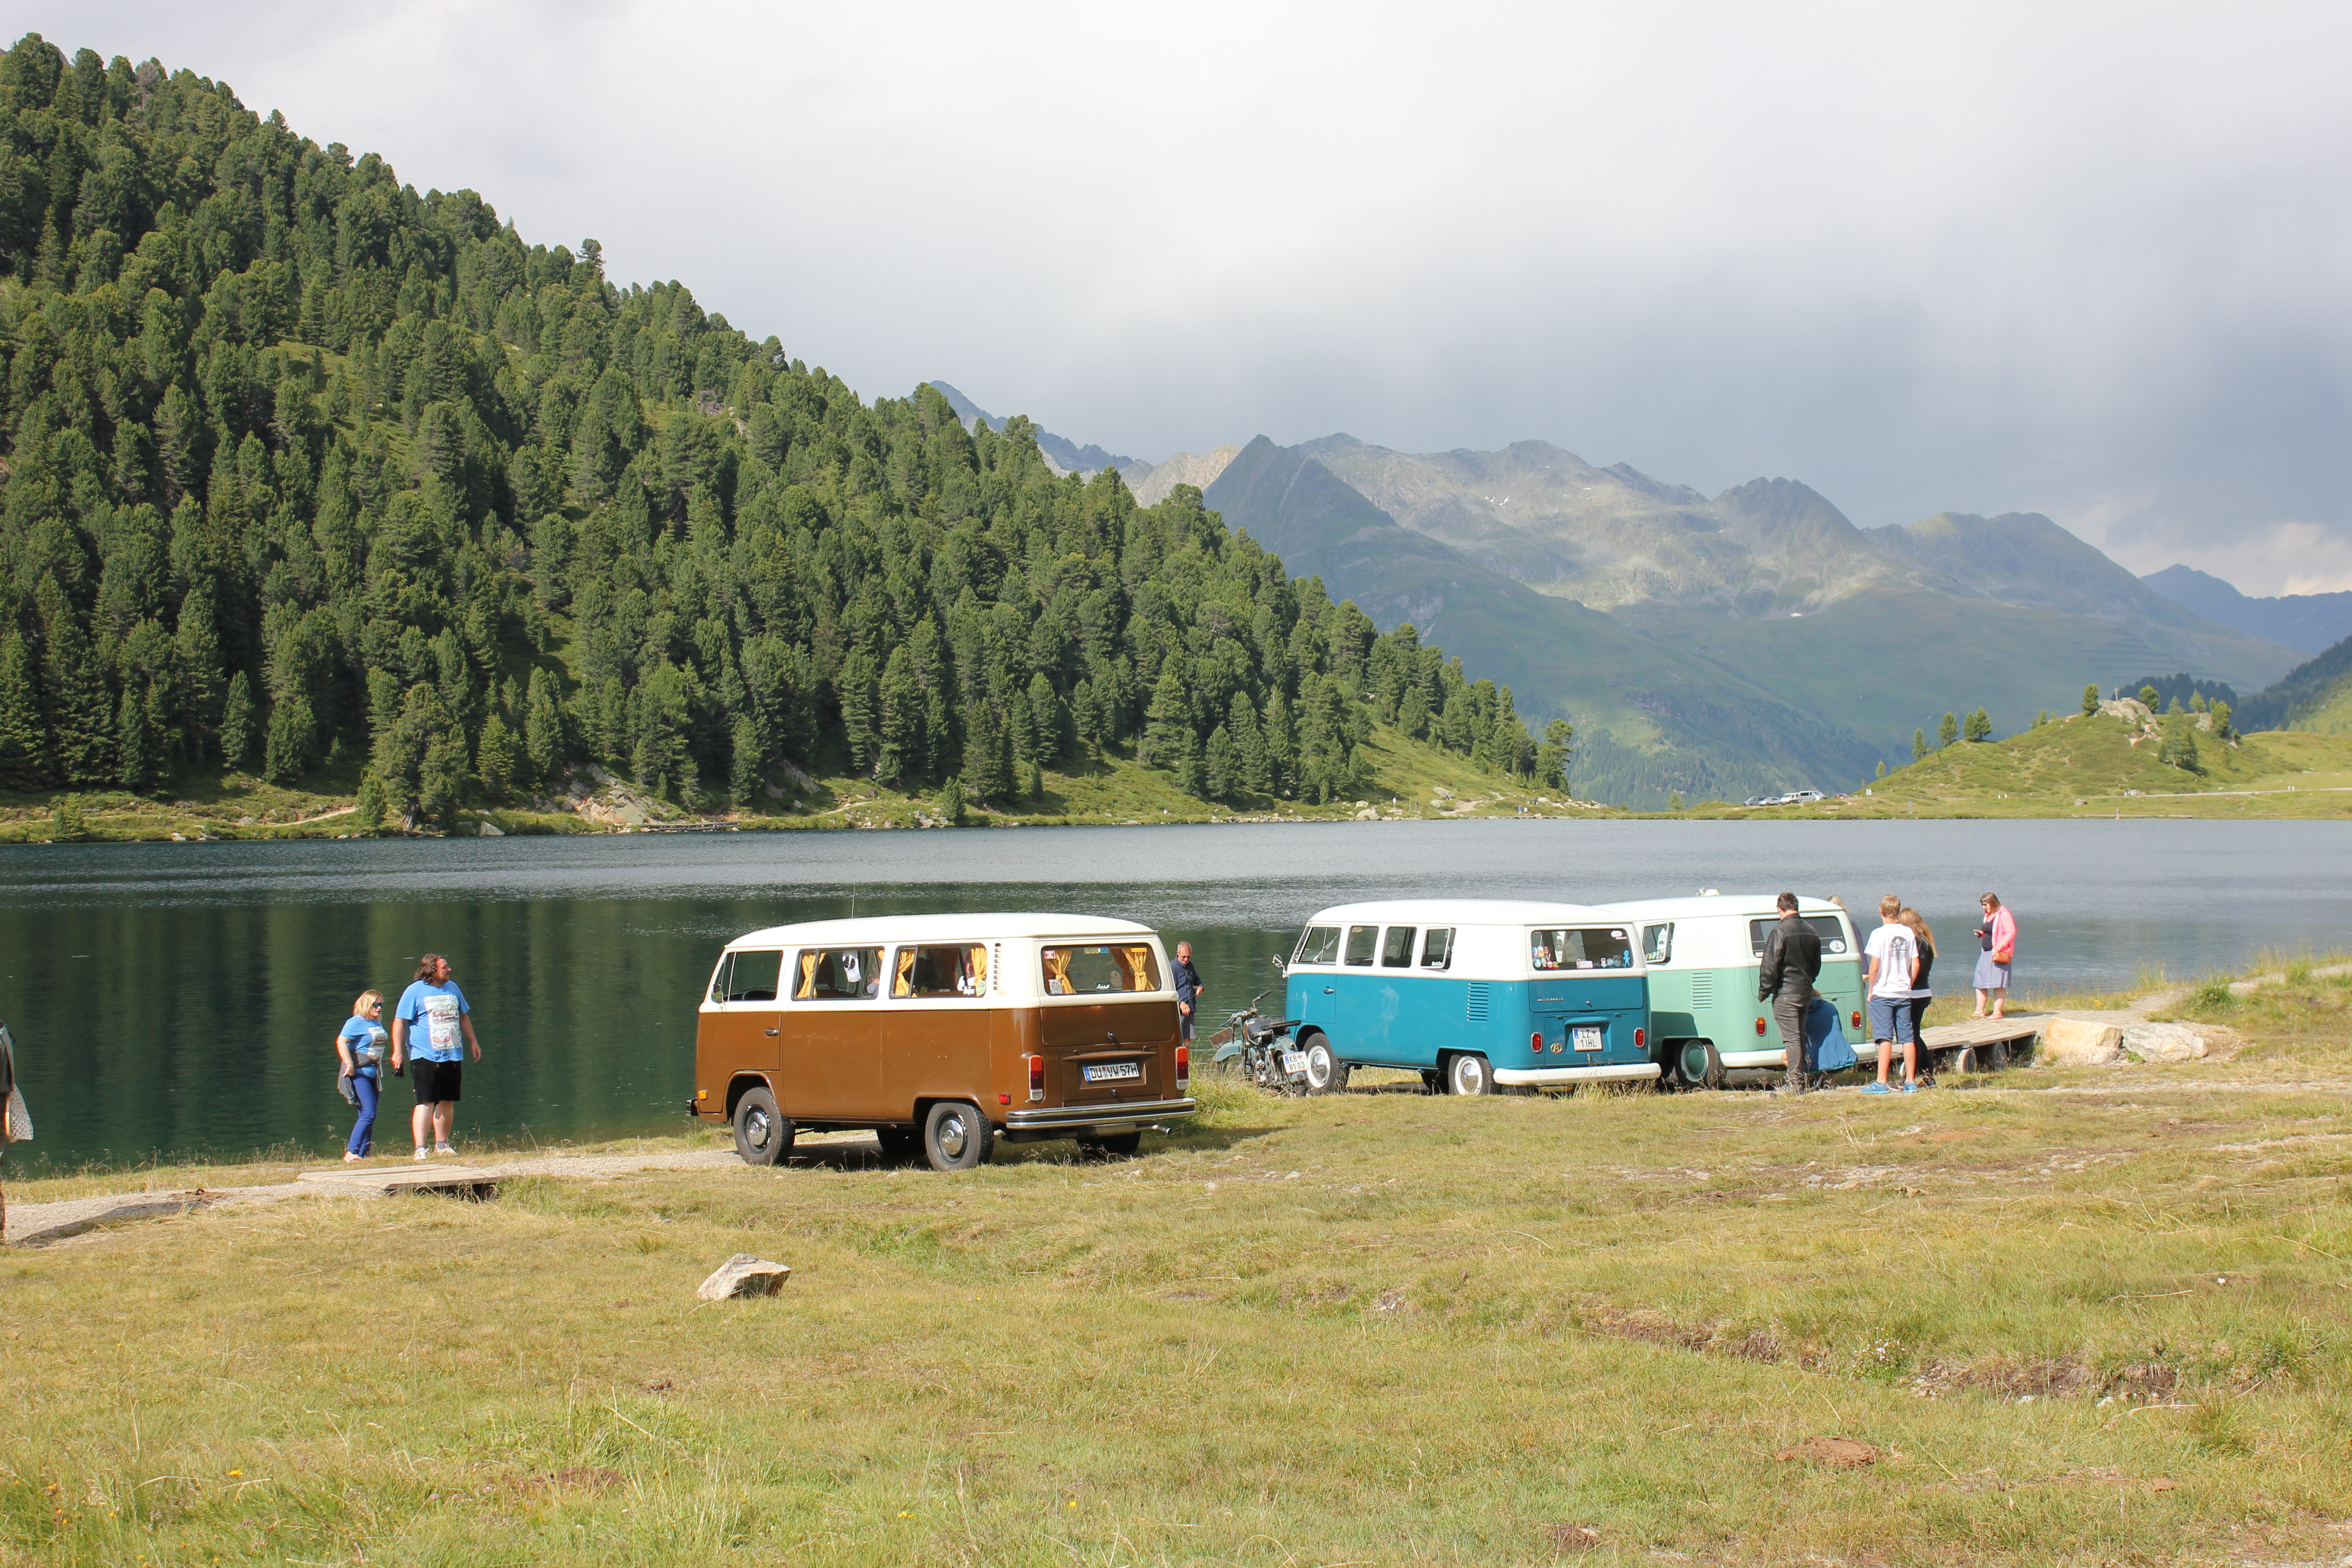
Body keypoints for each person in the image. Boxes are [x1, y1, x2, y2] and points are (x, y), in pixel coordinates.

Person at [390, 953, 480, 1161]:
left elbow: (463, 1017)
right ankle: (420, 1148)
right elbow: (399, 1022)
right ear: (432, 970)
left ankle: (442, 1144)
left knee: (448, 1100)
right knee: (426, 1101)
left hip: (452, 1053)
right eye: (444, 967)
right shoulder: (414, 991)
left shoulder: (453, 988)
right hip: (425, 1055)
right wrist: (398, 1051)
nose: (449, 970)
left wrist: (473, 1042)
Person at [1755, 892, 1821, 1094]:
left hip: (1786, 993)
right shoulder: (1811, 931)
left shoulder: (1780, 932)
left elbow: (1769, 966)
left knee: (1792, 1039)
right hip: (1805, 992)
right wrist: (1808, 981)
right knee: (1799, 1036)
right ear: (1796, 907)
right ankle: (1799, 1079)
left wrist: (1763, 992)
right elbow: (1816, 965)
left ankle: (1794, 1083)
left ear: (1780, 909)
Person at [1860, 895, 1921, 1094]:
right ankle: (1911, 1081)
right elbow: (1916, 964)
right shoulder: (1908, 932)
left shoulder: (1878, 934)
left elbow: (1875, 966)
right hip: (1903, 992)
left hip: (1883, 992)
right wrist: (1908, 984)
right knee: (1907, 1036)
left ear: (1881, 911)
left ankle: (1881, 1081)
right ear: (1897, 911)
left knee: (1884, 1037)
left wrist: (1871, 990)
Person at [334, 989, 390, 1162]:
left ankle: (364, 1153)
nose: (380, 1008)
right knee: (369, 1113)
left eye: (382, 1005)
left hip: (375, 1073)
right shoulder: (356, 1022)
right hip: (360, 1074)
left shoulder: (376, 1023)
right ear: (367, 1004)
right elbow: (341, 1041)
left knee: (367, 1114)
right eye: (376, 1005)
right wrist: (349, 1063)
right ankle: (351, 1152)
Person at [1899, 907, 1938, 1083]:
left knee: (1911, 1034)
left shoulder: (1918, 943)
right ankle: (1927, 1070)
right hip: (1922, 992)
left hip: (1915, 993)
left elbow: (1918, 969)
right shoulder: (1924, 941)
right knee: (1914, 1033)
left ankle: (1915, 1073)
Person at [1972, 893, 2017, 1018]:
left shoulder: (2004, 914)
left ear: (1992, 902)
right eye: (1983, 905)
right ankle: (1979, 1011)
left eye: (1986, 905)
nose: (1984, 908)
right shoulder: (1988, 916)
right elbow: (1992, 932)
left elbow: (2011, 932)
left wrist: (1999, 947)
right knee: (1980, 981)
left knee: (1998, 983)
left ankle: (1997, 1012)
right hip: (1986, 953)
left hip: (1999, 954)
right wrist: (1982, 934)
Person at [1171, 941, 1204, 1042]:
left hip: (1190, 1008)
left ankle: (1186, 1058)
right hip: (1178, 1011)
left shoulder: (1191, 966)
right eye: (1184, 957)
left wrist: (1201, 987)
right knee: (1177, 1039)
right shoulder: (1172, 968)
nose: (1186, 960)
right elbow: (1170, 990)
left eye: (1189, 957)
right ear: (1178, 953)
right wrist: (1180, 1002)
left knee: (1187, 1040)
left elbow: (1197, 980)